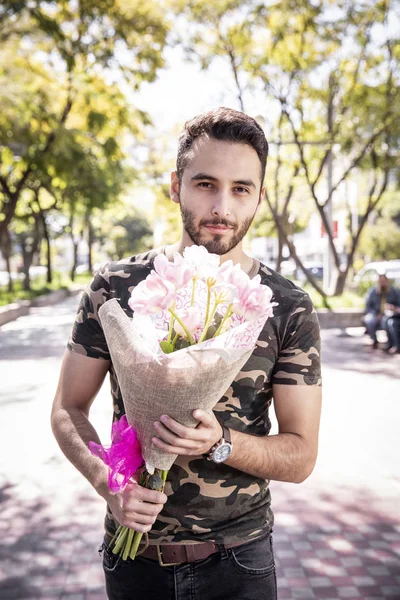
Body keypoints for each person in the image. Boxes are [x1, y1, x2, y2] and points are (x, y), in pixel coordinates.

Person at [51, 107, 322, 600]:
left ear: (259, 197)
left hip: (239, 559)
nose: (222, 205)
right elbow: (67, 408)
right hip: (133, 557)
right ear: (176, 186)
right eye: (205, 184)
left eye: (241, 188)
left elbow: (301, 455)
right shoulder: (117, 287)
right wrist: (109, 483)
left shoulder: (286, 306)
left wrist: (222, 443)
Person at [364, 273, 399, 349]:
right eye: (381, 281)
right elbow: (368, 306)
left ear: (387, 281)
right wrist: (375, 314)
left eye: (384, 281)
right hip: (375, 314)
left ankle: (390, 344)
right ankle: (374, 340)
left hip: (389, 314)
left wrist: (393, 308)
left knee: (387, 321)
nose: (382, 282)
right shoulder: (373, 291)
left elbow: (398, 304)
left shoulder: (393, 291)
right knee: (369, 320)